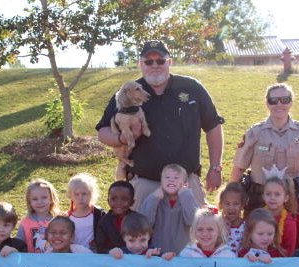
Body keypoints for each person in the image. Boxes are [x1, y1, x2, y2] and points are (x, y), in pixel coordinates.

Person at [96, 40, 225, 209]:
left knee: (193, 233)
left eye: (160, 60)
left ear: (169, 62)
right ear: (141, 64)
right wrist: (121, 138)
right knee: (141, 234)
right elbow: (103, 131)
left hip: (186, 182)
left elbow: (213, 127)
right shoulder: (127, 92)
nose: (154, 65)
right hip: (144, 184)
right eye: (149, 61)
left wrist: (215, 168)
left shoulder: (192, 87)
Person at [230, 83, 299, 215]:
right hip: (259, 201)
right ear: (267, 103)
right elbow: (238, 169)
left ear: (291, 102)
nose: (279, 104)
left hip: (293, 201)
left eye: (285, 100)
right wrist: (230, 198)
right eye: (273, 101)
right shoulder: (255, 133)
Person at [139, 163, 199, 254]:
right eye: (167, 178)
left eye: (176, 178)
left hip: (184, 253)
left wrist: (186, 195)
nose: (171, 180)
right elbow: (146, 224)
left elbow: (192, 221)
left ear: (185, 184)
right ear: (161, 183)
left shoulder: (189, 199)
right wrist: (154, 199)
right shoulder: (154, 198)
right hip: (158, 253)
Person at [94, 181, 146, 254]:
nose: (118, 203)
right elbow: (99, 247)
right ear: (108, 201)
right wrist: (109, 251)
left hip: (135, 258)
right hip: (112, 259)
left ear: (132, 202)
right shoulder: (104, 222)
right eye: (114, 199)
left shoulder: (138, 220)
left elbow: (147, 241)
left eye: (124, 199)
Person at [16, 179, 60, 253]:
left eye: (44, 197)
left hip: (55, 261)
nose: (40, 202)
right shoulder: (25, 223)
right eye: (35, 199)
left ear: (51, 198)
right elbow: (18, 243)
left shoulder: (59, 220)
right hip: (32, 262)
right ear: (29, 202)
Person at [108, 213, 175, 260]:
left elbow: (164, 257)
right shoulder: (121, 252)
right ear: (124, 238)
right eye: (131, 240)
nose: (137, 246)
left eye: (143, 240)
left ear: (149, 237)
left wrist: (164, 256)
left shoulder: (153, 251)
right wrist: (112, 252)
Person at [66, 173, 105, 251]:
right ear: (70, 195)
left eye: (84, 194)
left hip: (94, 255)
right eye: (76, 194)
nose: (80, 198)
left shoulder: (99, 214)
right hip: (74, 255)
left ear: (91, 194)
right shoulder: (67, 217)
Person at [261, 176, 298, 256]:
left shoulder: (289, 222)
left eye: (277, 194)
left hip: (280, 262)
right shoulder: (258, 216)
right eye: (268, 194)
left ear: (286, 198)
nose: (272, 198)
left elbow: (289, 250)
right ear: (263, 196)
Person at [217, 182, 246, 254]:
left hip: (239, 262)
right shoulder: (217, 224)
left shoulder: (246, 226)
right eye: (227, 204)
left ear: (242, 205)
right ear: (221, 205)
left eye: (236, 204)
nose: (231, 208)